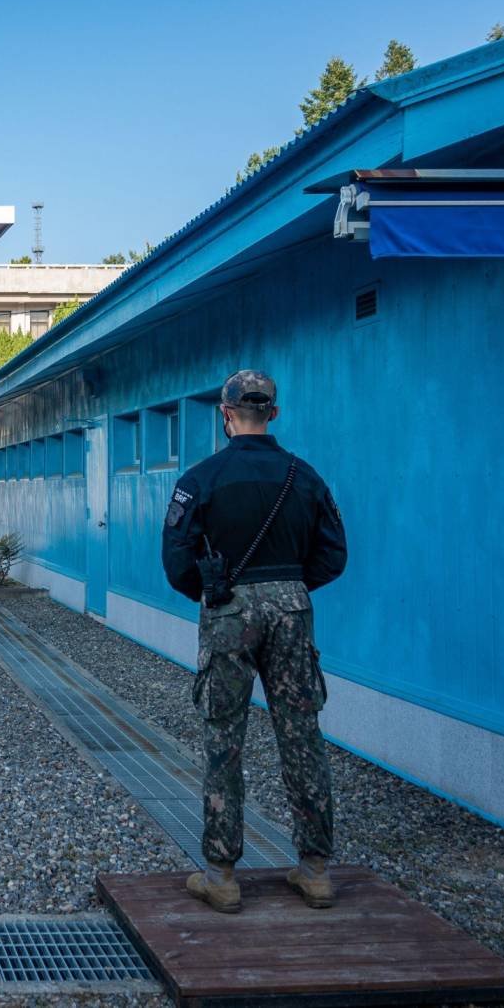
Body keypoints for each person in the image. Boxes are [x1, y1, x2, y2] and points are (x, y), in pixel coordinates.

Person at [161, 370, 347, 913]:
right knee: (302, 736)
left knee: (224, 738)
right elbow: (334, 556)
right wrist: (287, 586)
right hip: (293, 609)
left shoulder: (201, 479)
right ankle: (315, 871)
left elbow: (176, 560)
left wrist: (215, 590)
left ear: (225, 414)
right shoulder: (305, 477)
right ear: (274, 413)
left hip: (229, 612)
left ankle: (222, 874)